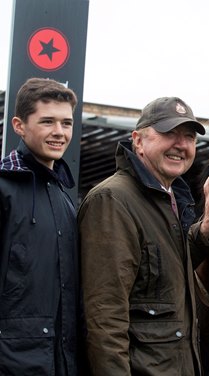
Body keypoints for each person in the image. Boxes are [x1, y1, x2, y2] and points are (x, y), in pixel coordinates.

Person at [78, 96, 209, 375]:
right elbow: (104, 319)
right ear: (138, 141)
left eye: (189, 137)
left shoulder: (169, 198)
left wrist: (205, 228)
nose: (181, 145)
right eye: (169, 134)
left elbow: (161, 277)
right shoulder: (113, 200)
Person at [0, 78, 84, 375]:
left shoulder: (65, 196)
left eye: (67, 123)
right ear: (19, 126)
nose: (59, 132)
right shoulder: (4, 188)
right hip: (13, 363)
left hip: (61, 361)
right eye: (47, 121)